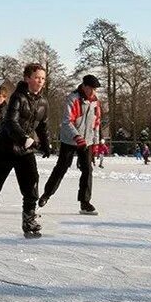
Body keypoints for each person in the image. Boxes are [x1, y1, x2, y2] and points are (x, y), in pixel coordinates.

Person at [0, 64, 50, 237]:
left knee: (32, 183)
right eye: (37, 77)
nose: (40, 81)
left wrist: (46, 143)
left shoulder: (43, 102)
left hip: (25, 151)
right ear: (27, 79)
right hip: (5, 148)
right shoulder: (17, 97)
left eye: (43, 78)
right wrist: (25, 139)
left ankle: (29, 219)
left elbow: (43, 125)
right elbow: (11, 123)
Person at [39, 74, 102, 215]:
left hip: (87, 141)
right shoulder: (73, 99)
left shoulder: (96, 102)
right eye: (91, 88)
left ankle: (84, 202)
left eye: (95, 89)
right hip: (70, 140)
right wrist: (77, 136)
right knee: (61, 168)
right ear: (84, 86)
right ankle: (46, 194)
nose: (93, 92)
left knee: (87, 170)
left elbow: (96, 124)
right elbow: (67, 122)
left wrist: (96, 144)